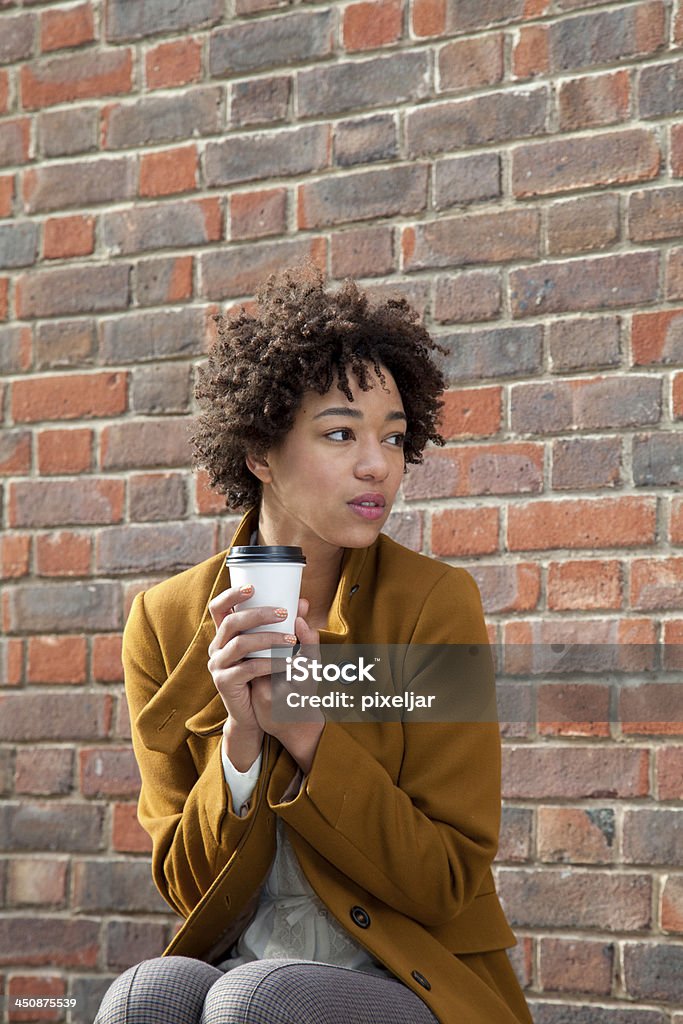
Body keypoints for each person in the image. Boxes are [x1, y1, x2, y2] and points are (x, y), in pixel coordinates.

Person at [94, 266, 533, 1024]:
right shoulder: (164, 622)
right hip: (243, 962)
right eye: (340, 433)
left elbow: (446, 879)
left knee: (258, 1001)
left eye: (393, 438)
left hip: (410, 979)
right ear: (259, 454)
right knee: (146, 997)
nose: (377, 465)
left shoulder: (432, 604)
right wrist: (238, 739)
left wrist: (307, 736)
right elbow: (189, 889)